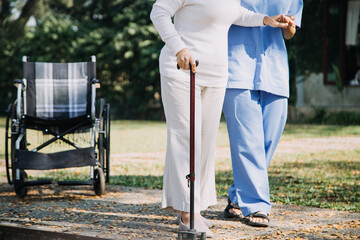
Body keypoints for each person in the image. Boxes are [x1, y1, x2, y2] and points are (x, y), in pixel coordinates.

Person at [150, 0, 295, 236]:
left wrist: (265, 20)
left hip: (216, 74)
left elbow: (237, 14)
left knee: (205, 143)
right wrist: (179, 48)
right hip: (182, 70)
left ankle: (195, 206)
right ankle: (187, 211)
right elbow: (159, 12)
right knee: (187, 139)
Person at [222, 0, 303, 228]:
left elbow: (290, 34)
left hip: (274, 68)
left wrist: (288, 26)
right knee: (247, 142)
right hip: (236, 64)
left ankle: (238, 195)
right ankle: (257, 205)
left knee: (269, 138)